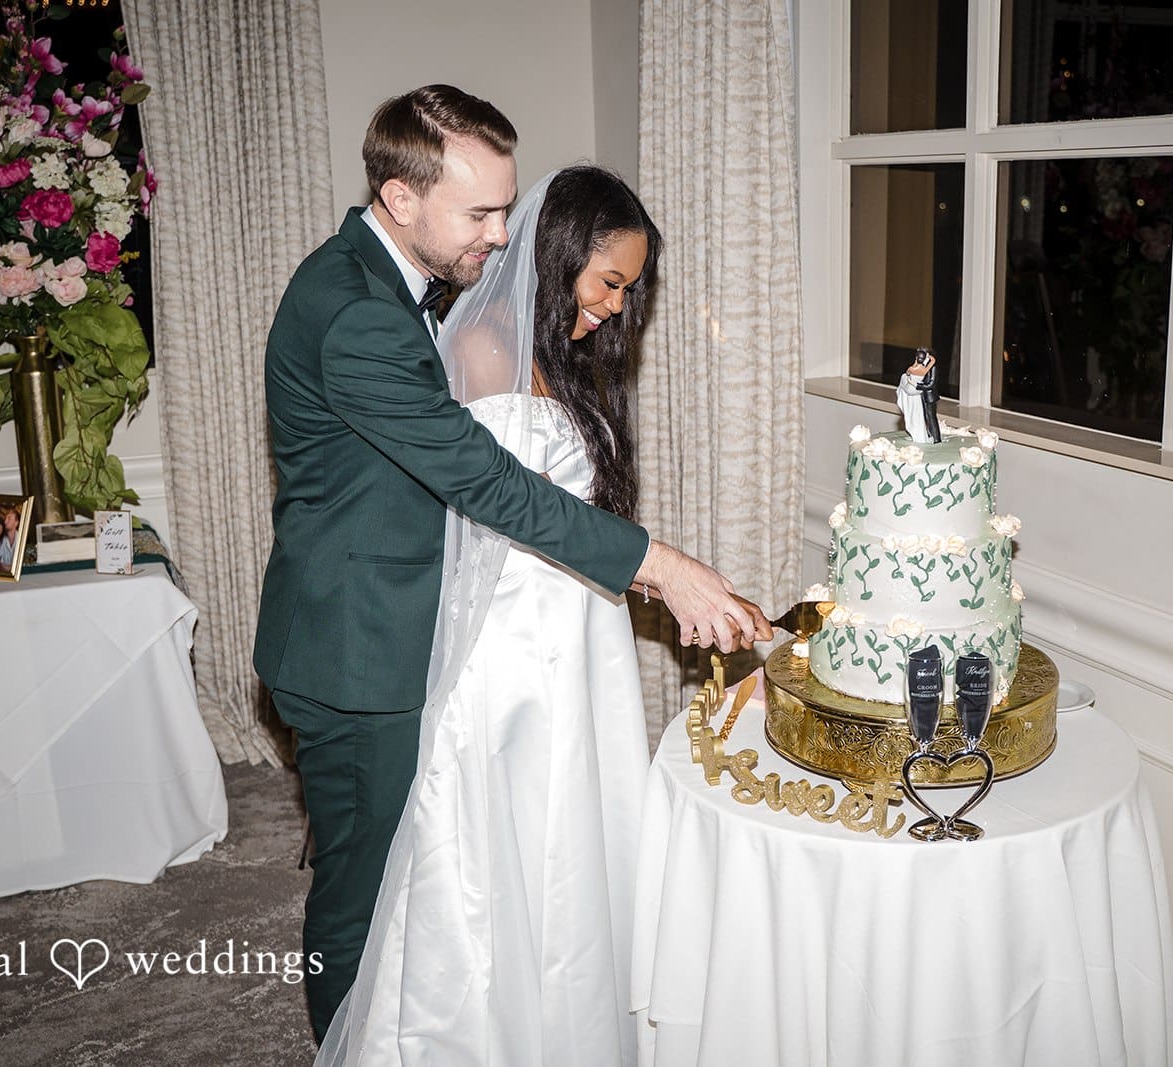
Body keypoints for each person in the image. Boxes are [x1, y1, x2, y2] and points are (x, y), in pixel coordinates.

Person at [253, 85, 771, 1042]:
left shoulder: (380, 283)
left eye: (507, 206)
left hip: (395, 615)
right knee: (364, 899)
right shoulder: (358, 314)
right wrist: (662, 565)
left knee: (438, 871)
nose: (501, 234)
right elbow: (489, 483)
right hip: (356, 643)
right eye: (481, 212)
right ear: (401, 199)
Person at [316, 165, 666, 1065]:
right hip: (515, 652)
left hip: (582, 634)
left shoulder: (567, 362)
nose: (618, 308)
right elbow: (491, 513)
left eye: (629, 290)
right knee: (505, 855)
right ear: (561, 259)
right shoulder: (478, 354)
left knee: (583, 849)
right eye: (609, 283)